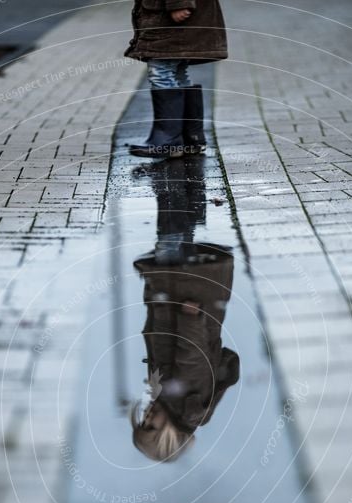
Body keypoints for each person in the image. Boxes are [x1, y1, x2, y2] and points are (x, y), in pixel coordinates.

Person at [131, 158, 240, 462]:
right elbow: (194, 358)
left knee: (176, 235)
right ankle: (173, 174)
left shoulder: (171, 402)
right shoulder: (187, 406)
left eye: (142, 422)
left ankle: (180, 174)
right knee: (171, 233)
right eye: (151, 426)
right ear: (169, 437)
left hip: (177, 298)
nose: (147, 416)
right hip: (185, 300)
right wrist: (190, 318)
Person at [125, 0, 228, 158]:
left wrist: (179, 3)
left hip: (169, 18)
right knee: (177, 71)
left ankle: (168, 141)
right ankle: (190, 138)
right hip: (173, 17)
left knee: (161, 71)